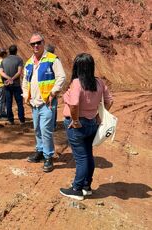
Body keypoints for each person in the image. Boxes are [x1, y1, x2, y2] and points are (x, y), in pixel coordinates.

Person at [59, 53, 113, 200]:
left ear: (78, 67)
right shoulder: (99, 82)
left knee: (81, 158)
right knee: (88, 155)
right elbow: (109, 101)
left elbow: (74, 104)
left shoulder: (77, 83)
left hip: (78, 125)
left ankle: (76, 189)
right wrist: (98, 115)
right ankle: (86, 186)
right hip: (92, 124)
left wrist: (75, 120)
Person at [22, 33, 66, 172]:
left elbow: (61, 77)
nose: (36, 45)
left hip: (47, 103)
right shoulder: (29, 62)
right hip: (34, 103)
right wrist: (25, 95)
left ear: (43, 42)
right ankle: (40, 151)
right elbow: (25, 81)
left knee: (46, 130)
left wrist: (53, 92)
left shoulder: (52, 59)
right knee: (37, 129)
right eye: (33, 44)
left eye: (38, 42)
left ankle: (48, 157)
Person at [0, 45, 25, 125]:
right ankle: (21, 120)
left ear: (9, 51)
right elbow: (19, 72)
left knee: (8, 103)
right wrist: (12, 79)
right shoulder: (19, 59)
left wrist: (8, 78)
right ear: (16, 51)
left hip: (7, 85)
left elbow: (0, 72)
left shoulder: (3, 61)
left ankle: (11, 120)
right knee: (19, 103)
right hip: (16, 85)